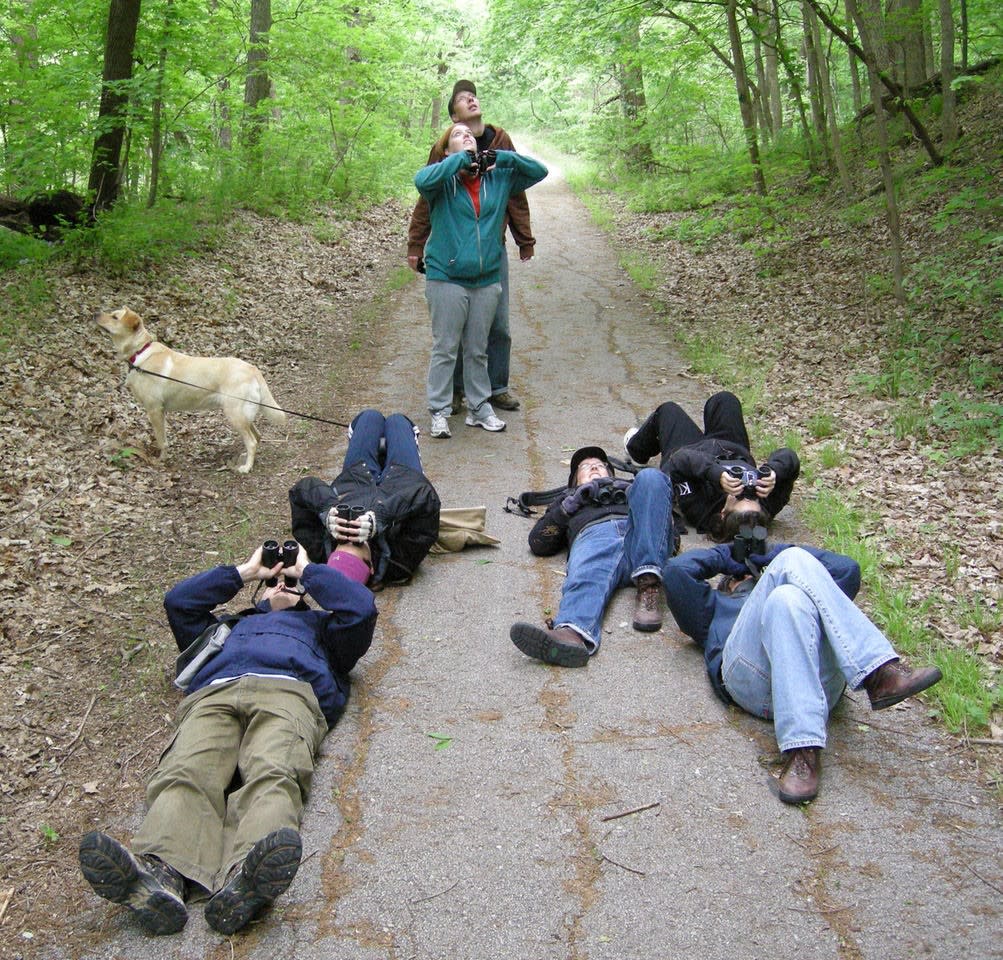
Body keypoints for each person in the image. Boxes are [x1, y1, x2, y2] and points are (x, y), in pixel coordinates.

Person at [78, 541, 377, 935]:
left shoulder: (325, 629)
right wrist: (246, 571)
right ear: (260, 592)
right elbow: (179, 602)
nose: (283, 584)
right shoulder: (226, 627)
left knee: (273, 770)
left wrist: (308, 571)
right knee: (187, 769)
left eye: (291, 583)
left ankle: (247, 875)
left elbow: (361, 609)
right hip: (214, 694)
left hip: (287, 693)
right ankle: (160, 874)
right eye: (276, 581)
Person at [663, 540, 943, 804]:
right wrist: (731, 556)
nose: (751, 578)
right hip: (750, 681)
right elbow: (677, 572)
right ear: (728, 585)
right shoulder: (715, 607)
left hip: (815, 685)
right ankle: (877, 673)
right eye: (742, 577)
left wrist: (771, 552)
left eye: (758, 575)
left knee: (786, 599)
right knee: (791, 565)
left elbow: (847, 569)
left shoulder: (807, 589)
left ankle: (802, 752)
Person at [407, 79, 536, 415]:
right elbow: (426, 196)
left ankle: (496, 388)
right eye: (463, 99)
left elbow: (517, 192)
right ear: (453, 116)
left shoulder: (499, 139)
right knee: (456, 327)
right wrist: (416, 244)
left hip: (491, 247)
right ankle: (455, 391)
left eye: (473, 96)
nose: (471, 100)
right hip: (452, 256)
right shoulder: (446, 147)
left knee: (498, 326)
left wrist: (524, 238)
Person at [510, 446, 675, 667]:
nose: (594, 466)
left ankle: (649, 585)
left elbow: (672, 535)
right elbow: (538, 543)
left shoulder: (638, 488)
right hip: (595, 537)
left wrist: (642, 499)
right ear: (575, 480)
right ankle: (572, 634)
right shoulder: (568, 499)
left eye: (600, 464)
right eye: (585, 467)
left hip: (639, 538)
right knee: (587, 573)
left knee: (652, 476)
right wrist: (567, 506)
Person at [289, 409, 441, 589]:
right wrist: (380, 518)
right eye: (357, 543)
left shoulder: (320, 550)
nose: (349, 536)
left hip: (357, 477)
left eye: (341, 540)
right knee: (398, 422)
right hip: (403, 479)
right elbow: (426, 498)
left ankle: (377, 448)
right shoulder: (400, 562)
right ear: (371, 568)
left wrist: (327, 508)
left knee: (369, 417)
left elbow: (302, 490)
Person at [624, 391, 800, 541]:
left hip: (689, 450)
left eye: (739, 496)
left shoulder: (700, 510)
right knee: (725, 400)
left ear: (723, 513)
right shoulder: (766, 504)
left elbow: (680, 461)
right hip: (731, 447)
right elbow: (790, 458)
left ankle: (636, 449)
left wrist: (716, 474)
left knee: (668, 410)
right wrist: (773, 471)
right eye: (752, 497)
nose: (747, 489)